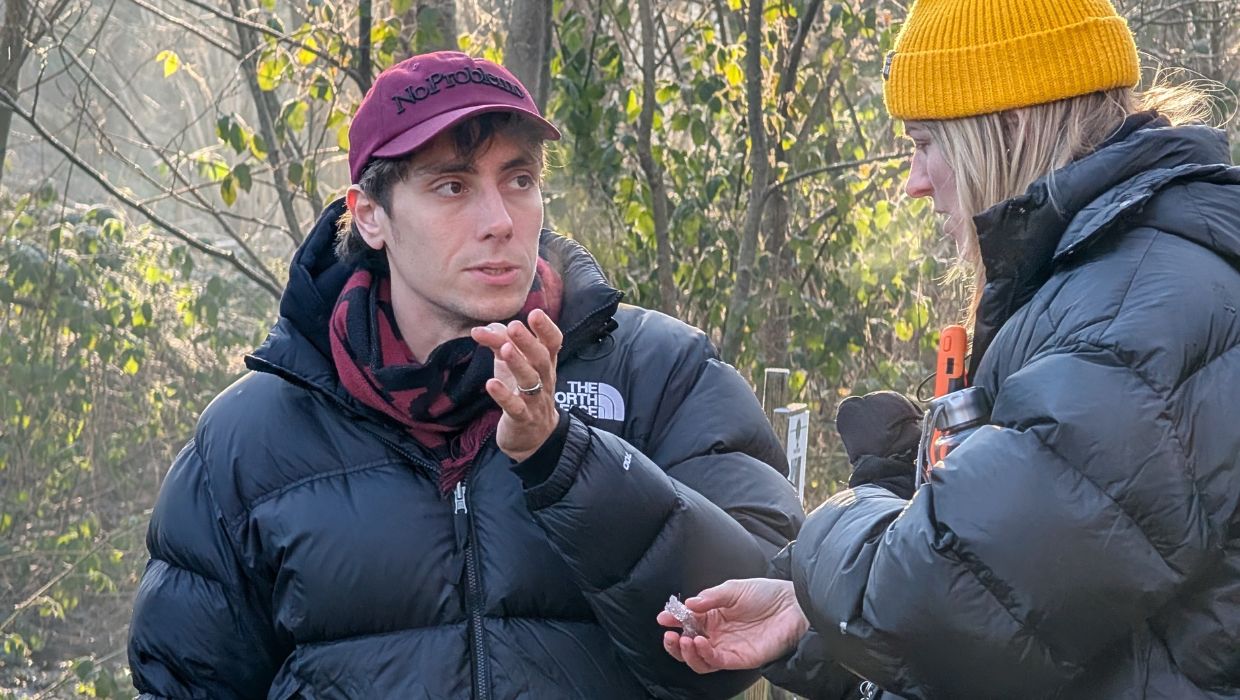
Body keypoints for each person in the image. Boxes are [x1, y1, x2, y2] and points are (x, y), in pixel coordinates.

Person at [127, 51, 804, 699]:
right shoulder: (249, 440)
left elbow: (770, 618)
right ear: (369, 214)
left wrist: (566, 461)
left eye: (520, 180)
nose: (500, 221)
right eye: (452, 186)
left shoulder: (661, 371)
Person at [659, 0, 1240, 697]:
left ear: (1010, 123)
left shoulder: (1138, 310)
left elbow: (935, 599)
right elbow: (1040, 621)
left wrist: (862, 505)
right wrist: (808, 613)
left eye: (926, 141)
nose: (915, 180)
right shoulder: (1109, 280)